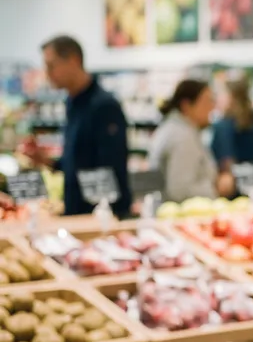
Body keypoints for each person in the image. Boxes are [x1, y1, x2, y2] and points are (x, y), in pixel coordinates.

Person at [41, 35, 132, 219]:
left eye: (51, 66)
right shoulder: (71, 103)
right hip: (77, 215)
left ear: (74, 60)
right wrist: (47, 161)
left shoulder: (104, 106)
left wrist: (97, 217)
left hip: (101, 217)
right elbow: (77, 161)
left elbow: (109, 169)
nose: (47, 73)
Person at [148, 79, 228, 204]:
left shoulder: (176, 129)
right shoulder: (182, 138)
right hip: (182, 212)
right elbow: (180, 191)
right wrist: (217, 188)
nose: (212, 107)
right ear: (186, 105)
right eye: (206, 102)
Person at [211, 75, 253, 196]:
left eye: (220, 94)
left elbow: (226, 160)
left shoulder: (223, 126)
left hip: (233, 193)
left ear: (231, 96)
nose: (217, 99)